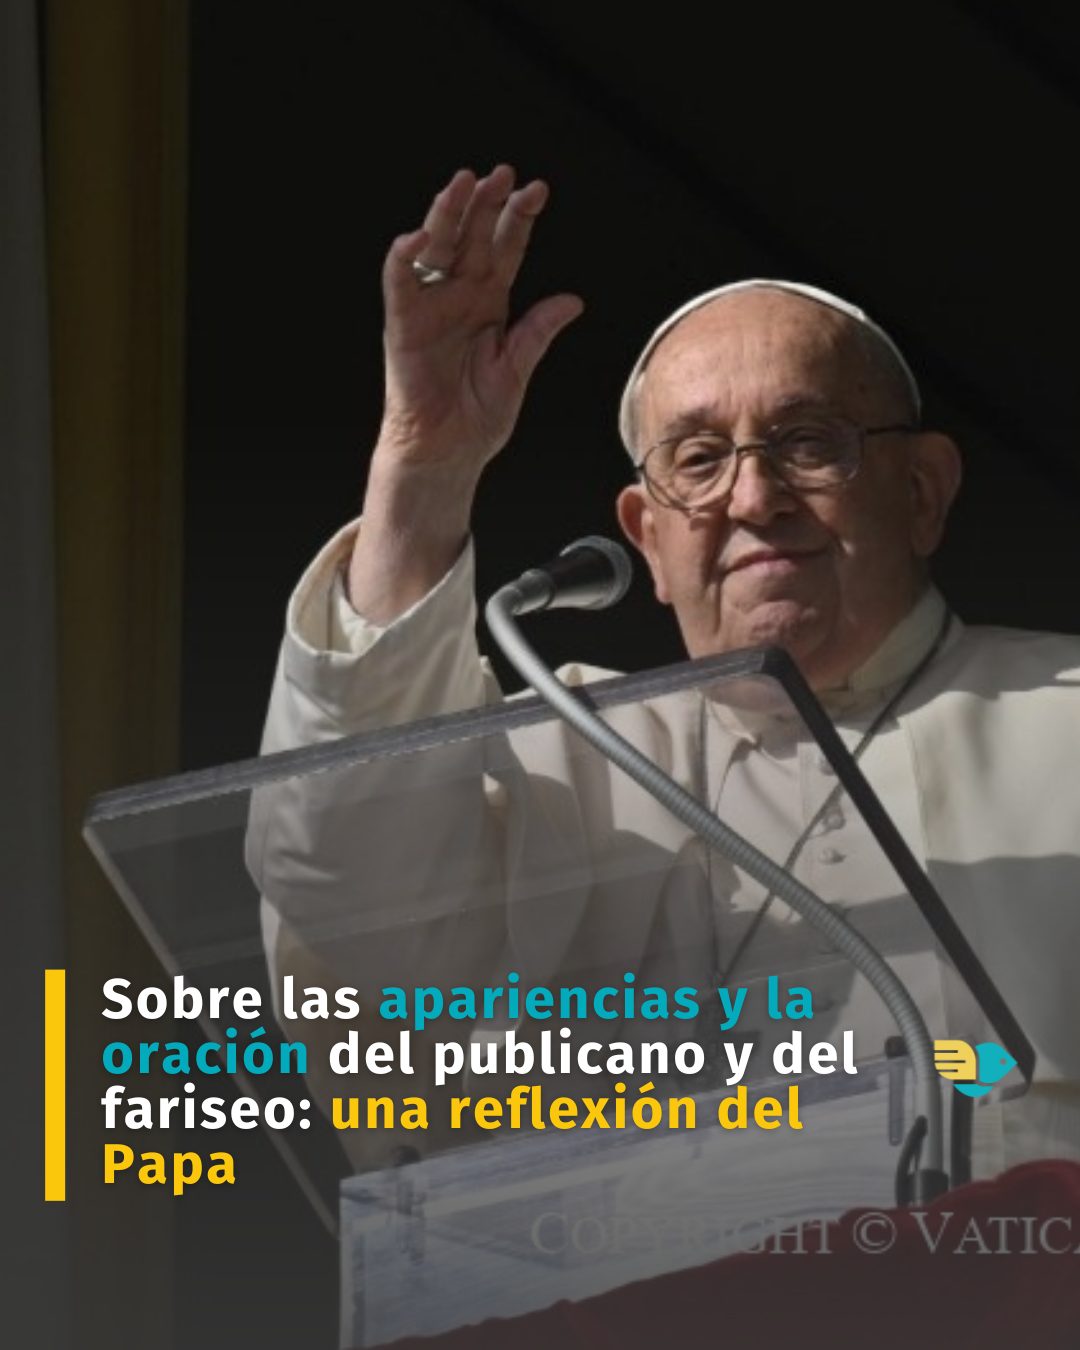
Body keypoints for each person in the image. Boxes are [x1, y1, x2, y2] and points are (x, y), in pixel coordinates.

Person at [249, 164, 1080, 1181]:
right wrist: (426, 469)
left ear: (922, 493)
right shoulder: (567, 751)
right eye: (697, 459)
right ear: (647, 536)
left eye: (807, 443)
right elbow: (343, 891)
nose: (753, 497)